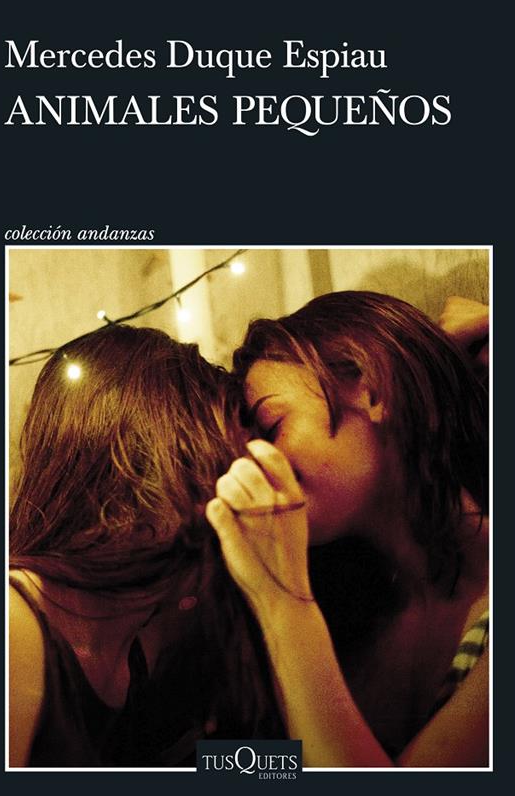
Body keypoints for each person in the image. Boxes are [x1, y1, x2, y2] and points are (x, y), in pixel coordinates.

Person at [206, 290, 489, 767]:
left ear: (374, 390)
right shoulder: (350, 613)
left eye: (272, 427)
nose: (258, 462)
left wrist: (282, 599)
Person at [9, 324, 282, 768]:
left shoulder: (142, 632)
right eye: (219, 462)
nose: (236, 487)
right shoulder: (14, 624)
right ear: (138, 470)